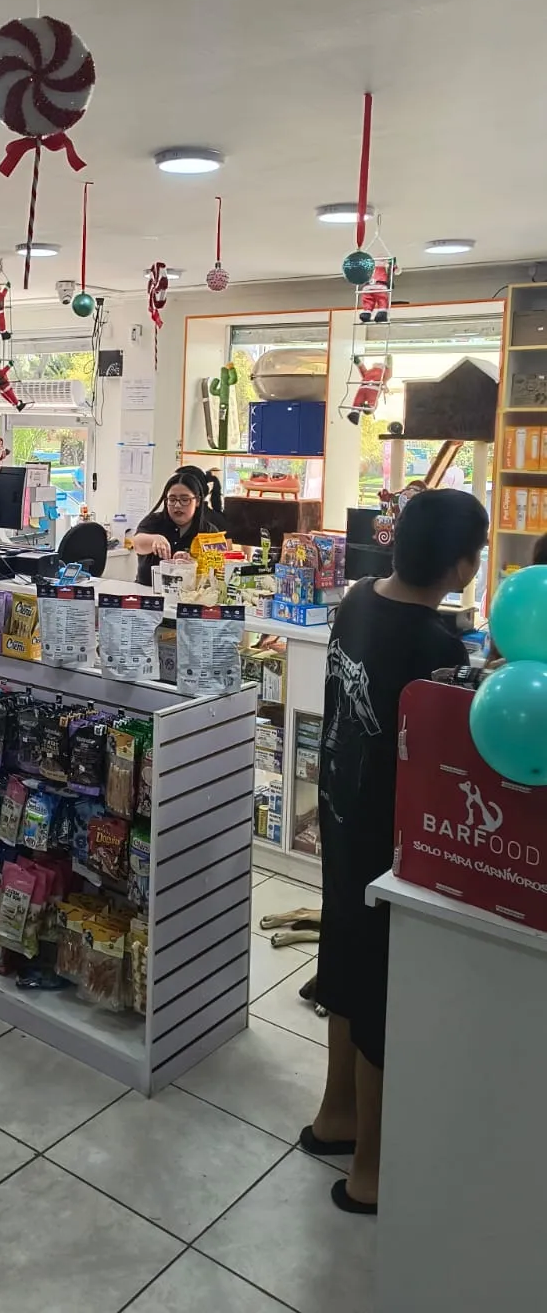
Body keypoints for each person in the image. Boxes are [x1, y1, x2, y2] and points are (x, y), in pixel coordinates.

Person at [302, 488, 488, 1216]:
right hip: (392, 840)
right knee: (381, 989)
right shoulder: (437, 647)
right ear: (460, 563)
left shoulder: (356, 600)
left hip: (341, 814)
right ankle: (371, 1172)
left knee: (342, 959)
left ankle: (335, 1115)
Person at [132, 466, 224, 586]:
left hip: (192, 595)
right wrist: (155, 539)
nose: (177, 505)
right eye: (172, 499)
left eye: (185, 500)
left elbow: (217, 572)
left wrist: (193, 564)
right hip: (147, 592)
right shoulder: (154, 521)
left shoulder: (209, 532)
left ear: (197, 501)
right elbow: (137, 543)